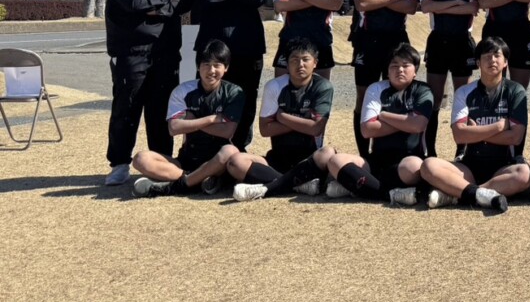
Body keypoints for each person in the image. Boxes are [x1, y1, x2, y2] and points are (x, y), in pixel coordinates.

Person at [103, 0, 192, 186]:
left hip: (167, 52)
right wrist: (167, 0)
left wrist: (156, 6)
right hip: (131, 52)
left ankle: (161, 161)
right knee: (127, 108)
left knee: (161, 110)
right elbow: (132, 2)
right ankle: (119, 163)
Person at [420, 37, 530, 212]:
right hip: (469, 166)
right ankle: (480, 194)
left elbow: (515, 137)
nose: (492, 60)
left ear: (505, 62)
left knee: (525, 174)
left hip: (504, 167)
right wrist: (498, 127)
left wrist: (475, 132)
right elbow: (459, 136)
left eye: (497, 55)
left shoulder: (516, 91)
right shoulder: (464, 92)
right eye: (486, 56)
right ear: (478, 63)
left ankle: (460, 194)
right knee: (428, 166)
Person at [192, 0, 273, 150]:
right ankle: (205, 149)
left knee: (245, 98)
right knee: (208, 95)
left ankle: (239, 148)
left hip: (248, 46)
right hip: (212, 46)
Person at [323, 43, 434, 205]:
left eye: (405, 65)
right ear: (387, 71)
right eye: (394, 66)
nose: (400, 70)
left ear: (415, 70)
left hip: (408, 160)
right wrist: (406, 121)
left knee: (414, 167)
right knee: (335, 161)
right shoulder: (376, 89)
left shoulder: (423, 90)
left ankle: (358, 186)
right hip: (377, 160)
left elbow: (418, 126)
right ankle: (388, 194)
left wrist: (383, 115)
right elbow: (367, 129)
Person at [227, 38, 337, 200]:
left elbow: (316, 128)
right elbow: (265, 129)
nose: (300, 65)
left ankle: (270, 187)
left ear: (315, 63)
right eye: (294, 60)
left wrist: (281, 117)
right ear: (287, 64)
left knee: (328, 153)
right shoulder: (274, 86)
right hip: (278, 158)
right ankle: (299, 184)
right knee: (235, 162)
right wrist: (302, 121)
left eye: (305, 59)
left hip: (309, 158)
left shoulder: (323, 87)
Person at [130, 40, 242, 197]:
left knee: (230, 151)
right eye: (206, 64)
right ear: (198, 66)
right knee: (140, 159)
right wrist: (211, 119)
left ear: (226, 67)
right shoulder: (183, 90)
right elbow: (174, 128)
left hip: (217, 161)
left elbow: (227, 132)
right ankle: (197, 180)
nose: (211, 70)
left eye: (217, 65)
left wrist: (191, 120)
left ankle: (179, 185)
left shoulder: (234, 92)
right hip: (187, 159)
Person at [350, 0, 420, 158]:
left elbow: (411, 7)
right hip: (367, 40)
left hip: (398, 40)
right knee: (364, 97)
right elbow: (362, 3)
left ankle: (394, 151)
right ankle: (364, 155)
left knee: (398, 95)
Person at [420, 0, 479, 158]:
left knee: (463, 97)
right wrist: (456, 3)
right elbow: (426, 6)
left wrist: (442, 5)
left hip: (463, 42)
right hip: (438, 41)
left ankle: (462, 150)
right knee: (434, 99)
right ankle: (430, 150)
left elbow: (472, 8)